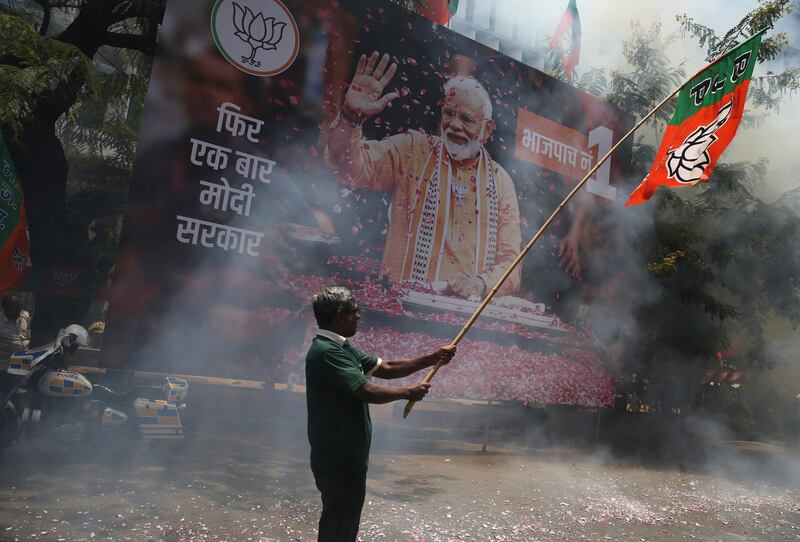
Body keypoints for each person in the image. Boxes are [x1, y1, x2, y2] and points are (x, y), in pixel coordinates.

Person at [325, 51, 522, 299]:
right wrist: (350, 118)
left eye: (466, 118)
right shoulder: (413, 150)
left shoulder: (501, 182)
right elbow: (348, 167)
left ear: (487, 129)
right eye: (449, 113)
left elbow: (511, 264)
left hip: (466, 322)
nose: (454, 125)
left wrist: (481, 283)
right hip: (398, 309)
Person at [306, 286, 455, 541]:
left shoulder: (342, 348)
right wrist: (408, 392)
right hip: (338, 454)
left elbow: (385, 367)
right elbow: (365, 391)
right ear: (340, 315)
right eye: (355, 312)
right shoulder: (326, 351)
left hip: (348, 453)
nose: (359, 317)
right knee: (339, 523)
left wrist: (433, 358)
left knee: (344, 520)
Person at [0, 295, 31, 369]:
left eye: (19, 307)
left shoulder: (25, 315)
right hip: (5, 367)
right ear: (5, 308)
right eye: (13, 307)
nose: (18, 310)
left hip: (24, 364)